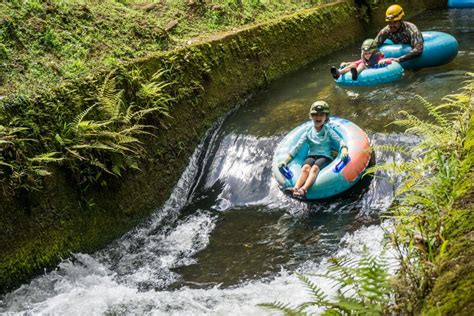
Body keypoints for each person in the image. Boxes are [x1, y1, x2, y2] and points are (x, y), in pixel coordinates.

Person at [278, 101, 349, 198]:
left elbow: (340, 140)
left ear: (326, 117)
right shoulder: (308, 131)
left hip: (325, 156)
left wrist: (344, 149)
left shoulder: (328, 130)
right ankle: (296, 188)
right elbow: (297, 146)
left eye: (321, 115)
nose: (318, 117)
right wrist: (286, 161)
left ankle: (304, 189)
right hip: (311, 155)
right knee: (305, 168)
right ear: (311, 116)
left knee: (314, 168)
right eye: (315, 115)